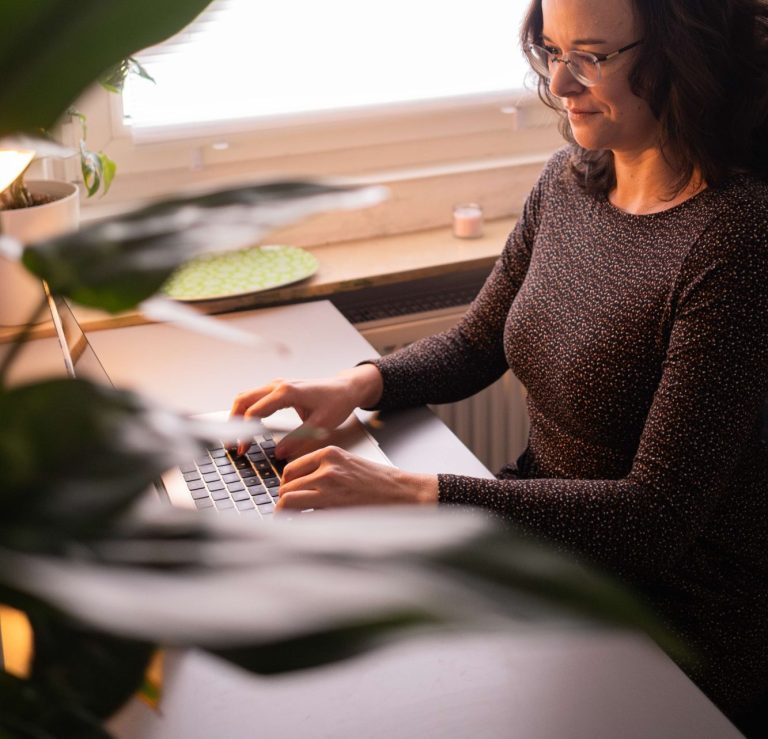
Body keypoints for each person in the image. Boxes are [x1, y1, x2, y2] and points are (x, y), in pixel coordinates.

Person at [231, 0, 768, 733]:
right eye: (550, 51)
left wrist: (411, 490)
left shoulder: (737, 242)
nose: (562, 83)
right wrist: (357, 383)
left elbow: (655, 519)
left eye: (592, 56)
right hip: (548, 558)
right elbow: (479, 341)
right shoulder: (570, 180)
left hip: (673, 623)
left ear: (686, 55)